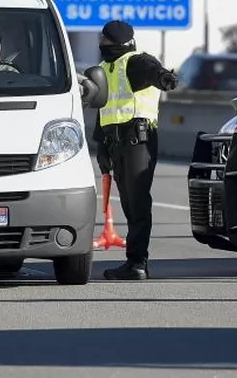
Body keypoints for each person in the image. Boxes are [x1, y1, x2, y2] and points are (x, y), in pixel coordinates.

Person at [93, 20, 179, 280]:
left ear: (117, 43)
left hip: (137, 140)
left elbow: (153, 70)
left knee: (138, 202)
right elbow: (103, 109)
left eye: (106, 41)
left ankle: (138, 262)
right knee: (129, 203)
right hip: (115, 142)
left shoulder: (134, 62)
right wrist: (101, 146)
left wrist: (164, 78)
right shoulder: (105, 69)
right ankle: (134, 261)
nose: (102, 44)